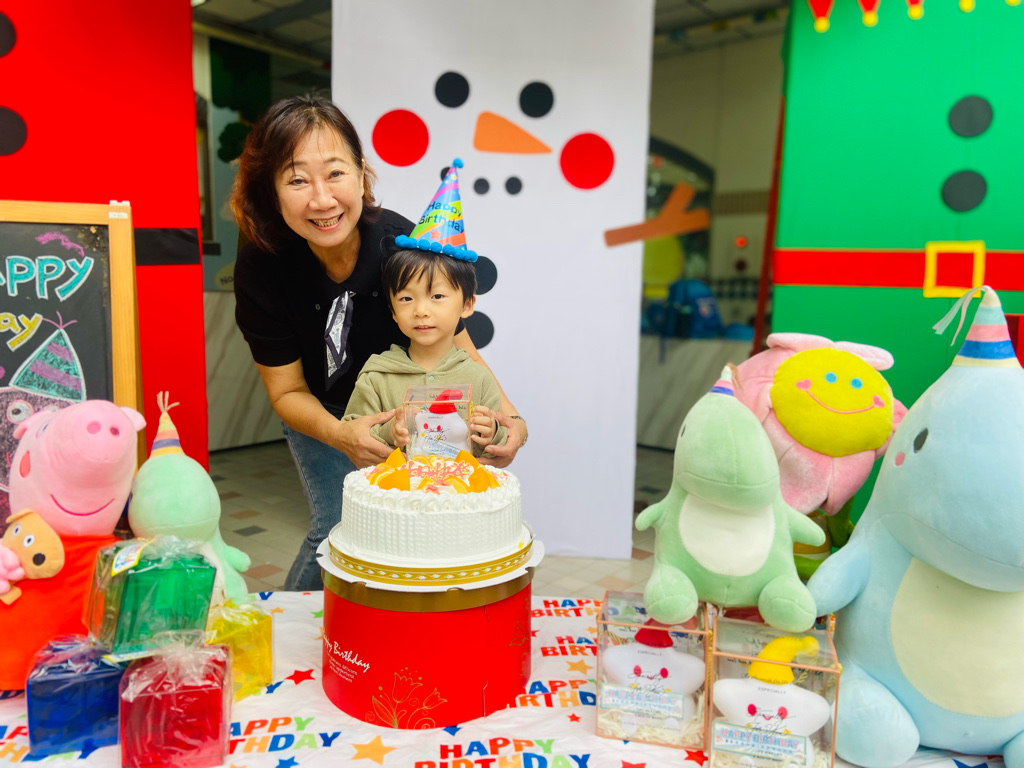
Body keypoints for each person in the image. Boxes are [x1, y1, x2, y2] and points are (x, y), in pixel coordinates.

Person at [230, 94, 526, 591]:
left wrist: (513, 423)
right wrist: (341, 433)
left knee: (410, 529)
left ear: (361, 173)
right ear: (271, 190)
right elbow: (287, 391)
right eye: (297, 180)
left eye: (335, 173)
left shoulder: (400, 245)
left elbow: (462, 350)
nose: (322, 200)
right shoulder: (262, 265)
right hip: (319, 409)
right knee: (335, 527)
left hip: (406, 412)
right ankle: (294, 623)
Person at [343, 247, 507, 457]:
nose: (420, 311)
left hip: (461, 479)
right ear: (393, 312)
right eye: (406, 299)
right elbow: (353, 434)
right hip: (396, 479)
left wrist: (492, 431)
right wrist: (389, 430)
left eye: (437, 296)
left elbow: (498, 444)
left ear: (466, 305)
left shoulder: (480, 377)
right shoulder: (376, 376)